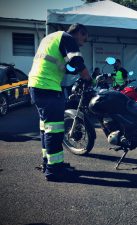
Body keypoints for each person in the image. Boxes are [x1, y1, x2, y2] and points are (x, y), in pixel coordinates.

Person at [28, 23, 92, 182]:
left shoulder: (50, 38)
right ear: (79, 32)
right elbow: (77, 61)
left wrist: (74, 70)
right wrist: (87, 77)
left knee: (46, 128)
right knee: (55, 130)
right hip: (47, 87)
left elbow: (69, 67)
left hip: (36, 85)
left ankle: (48, 163)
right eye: (84, 37)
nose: (84, 41)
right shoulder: (67, 37)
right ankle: (54, 170)